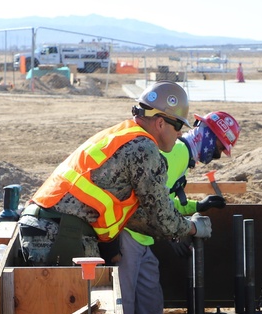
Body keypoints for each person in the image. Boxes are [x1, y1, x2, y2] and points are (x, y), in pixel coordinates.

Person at [17, 81, 211, 267]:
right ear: (161, 123)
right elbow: (162, 217)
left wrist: (177, 226)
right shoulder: (144, 148)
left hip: (42, 227)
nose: (179, 134)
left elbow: (137, 215)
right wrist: (192, 228)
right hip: (61, 234)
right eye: (178, 126)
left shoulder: (122, 135)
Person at [117, 111, 241, 314]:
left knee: (150, 307)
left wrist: (197, 205)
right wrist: (178, 231)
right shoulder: (177, 154)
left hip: (142, 240)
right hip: (129, 236)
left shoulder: (179, 156)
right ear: (208, 136)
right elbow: (152, 205)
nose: (217, 156)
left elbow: (162, 199)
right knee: (123, 310)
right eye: (219, 148)